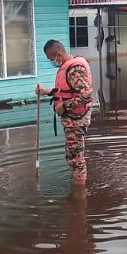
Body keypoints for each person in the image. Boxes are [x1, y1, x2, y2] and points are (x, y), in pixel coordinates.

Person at [36, 40, 93, 183]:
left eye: (51, 59)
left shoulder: (75, 69)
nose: (52, 62)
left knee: (76, 157)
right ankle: (78, 184)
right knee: (72, 154)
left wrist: (64, 106)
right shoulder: (67, 66)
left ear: (59, 54)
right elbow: (65, 91)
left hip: (77, 119)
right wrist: (46, 91)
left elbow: (86, 95)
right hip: (72, 119)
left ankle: (79, 194)